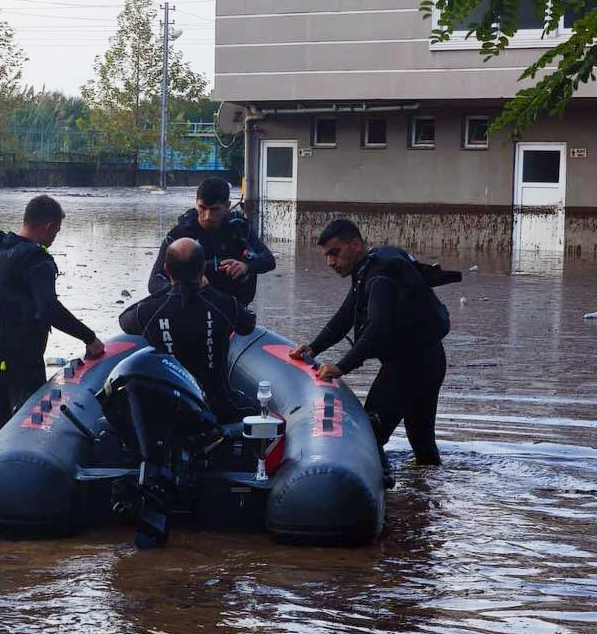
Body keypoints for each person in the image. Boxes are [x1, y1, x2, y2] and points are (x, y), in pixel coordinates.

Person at [289, 219, 449, 466]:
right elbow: (345, 316)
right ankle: (424, 496)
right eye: (326, 255)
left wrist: (342, 366)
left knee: (370, 433)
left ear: (355, 244)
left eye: (335, 253)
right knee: (421, 440)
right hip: (429, 359)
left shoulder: (380, 277)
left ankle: (380, 496)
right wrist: (313, 348)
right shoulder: (368, 268)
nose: (330, 262)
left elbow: (378, 328)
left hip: (411, 365)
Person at [0, 195, 105, 432]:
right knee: (28, 421)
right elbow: (48, 309)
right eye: (56, 232)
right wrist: (89, 337)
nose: (53, 238)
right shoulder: (37, 260)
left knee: (2, 418)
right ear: (48, 227)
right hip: (21, 354)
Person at [121, 237, 257, 423]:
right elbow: (248, 325)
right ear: (202, 269)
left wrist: (169, 290)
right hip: (219, 406)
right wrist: (210, 291)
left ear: (167, 270)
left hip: (165, 409)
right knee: (259, 408)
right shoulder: (223, 305)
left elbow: (124, 320)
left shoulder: (149, 310)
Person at [148, 177, 275, 305]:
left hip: (232, 307)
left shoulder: (238, 228)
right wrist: (184, 286)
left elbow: (269, 260)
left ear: (227, 206)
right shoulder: (179, 235)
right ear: (196, 203)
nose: (207, 216)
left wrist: (247, 265)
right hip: (193, 306)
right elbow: (154, 282)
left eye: (214, 209)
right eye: (202, 208)